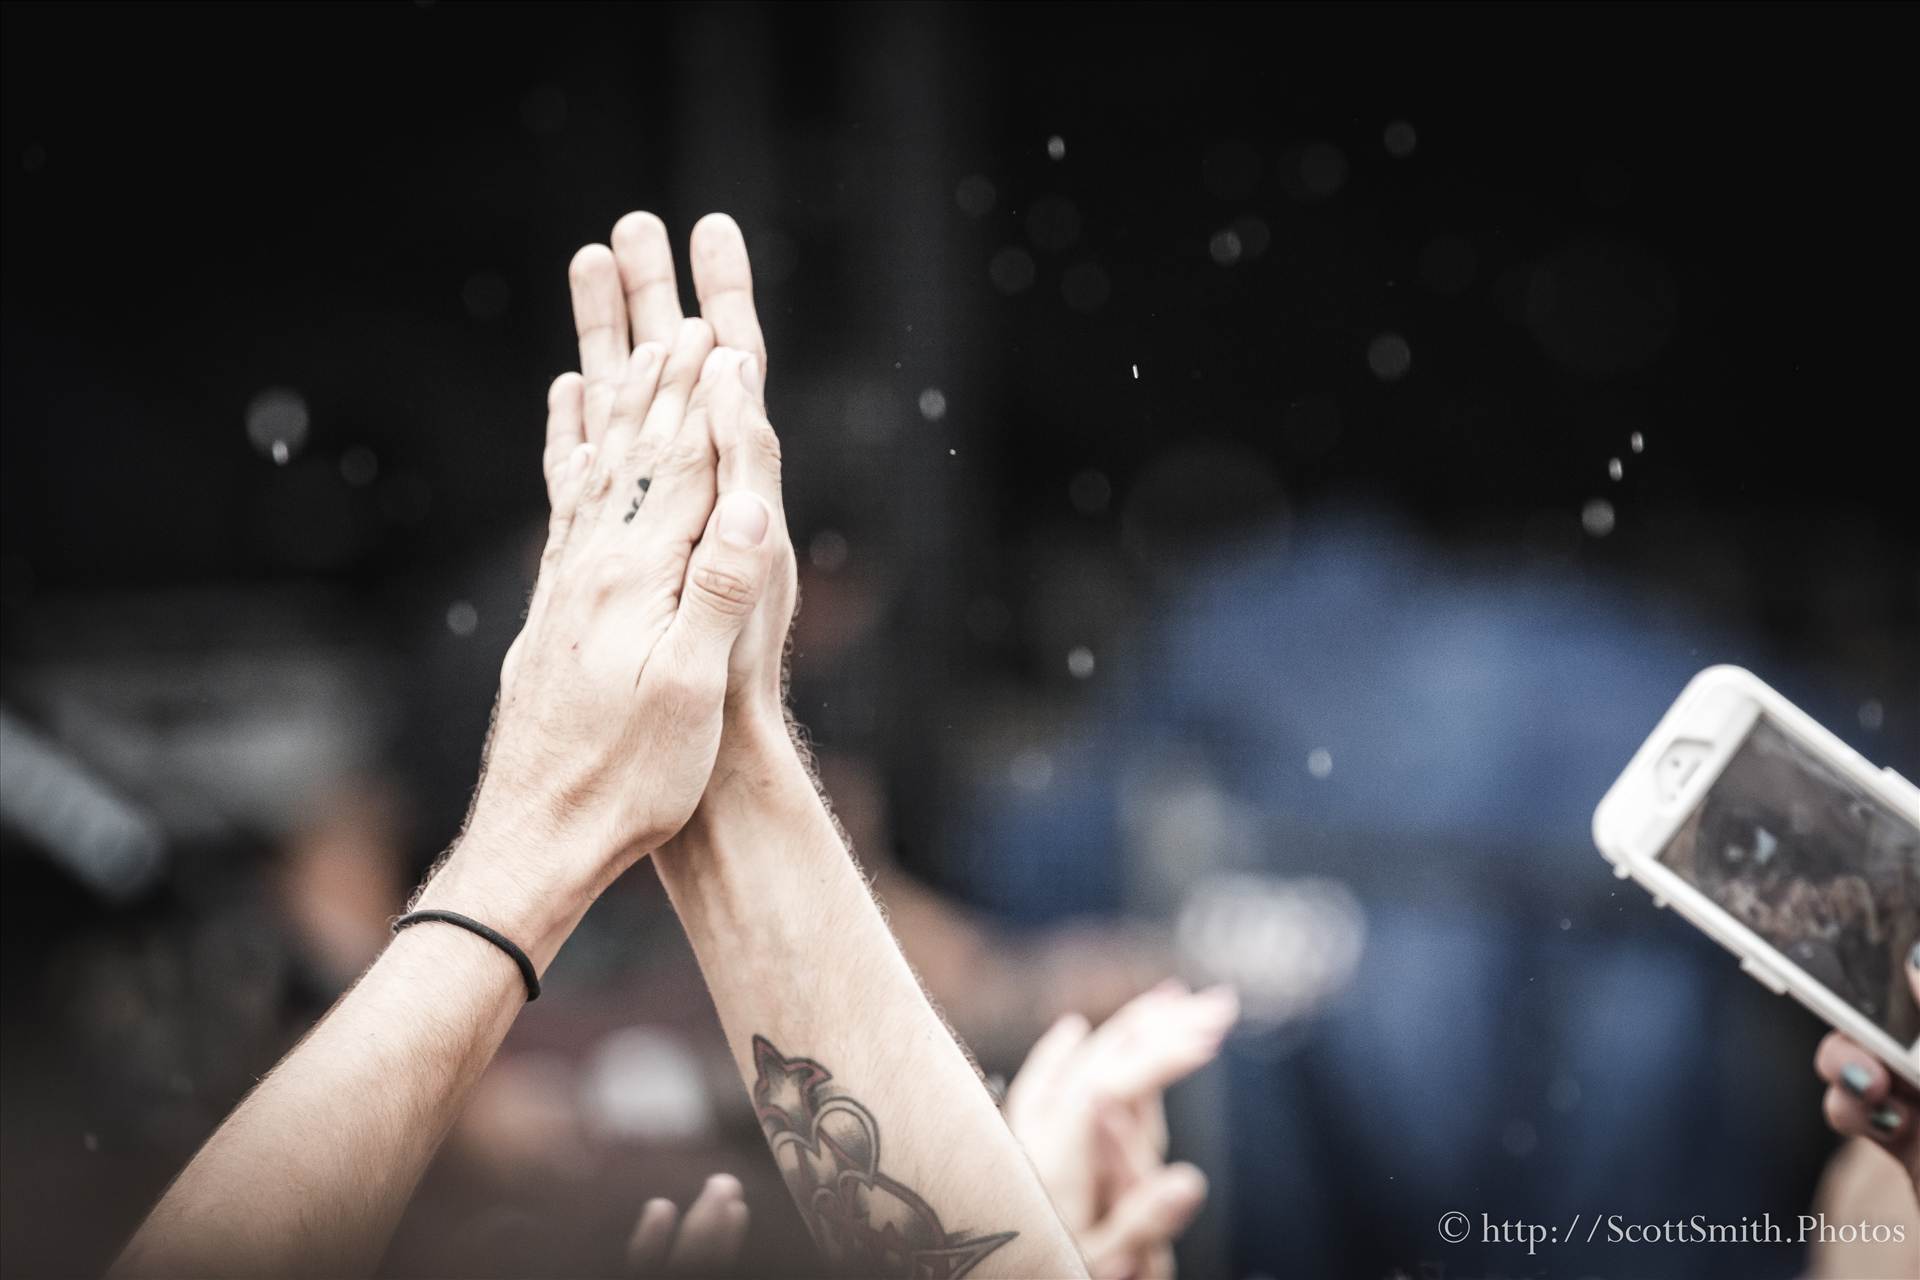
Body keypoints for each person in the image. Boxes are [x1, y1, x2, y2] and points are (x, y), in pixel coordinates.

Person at [114, 213, 1093, 1279]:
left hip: (670, 1069)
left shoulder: (804, 667)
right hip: (497, 1071)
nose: (845, 631)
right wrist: (462, 1076)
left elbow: (854, 890)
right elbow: (339, 857)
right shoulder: (511, 639)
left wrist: (1027, 977)